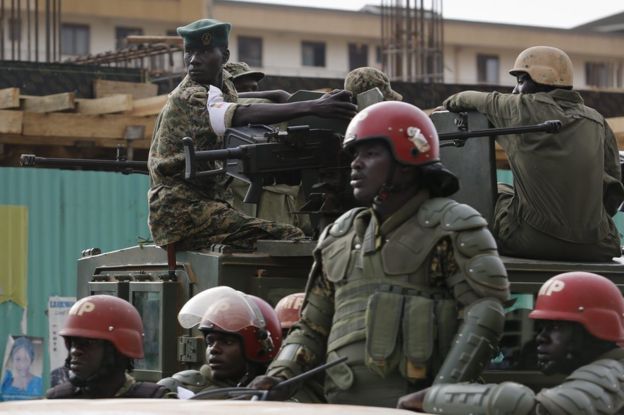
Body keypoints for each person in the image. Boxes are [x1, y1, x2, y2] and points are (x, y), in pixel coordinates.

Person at [249, 101, 511, 407]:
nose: (356, 164)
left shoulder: (452, 225)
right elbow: (312, 328)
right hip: (342, 406)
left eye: (371, 154)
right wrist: (280, 375)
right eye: (355, 154)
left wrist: (442, 395)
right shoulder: (340, 235)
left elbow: (485, 313)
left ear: (407, 159)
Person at [148, 18, 357, 252]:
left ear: (225, 57)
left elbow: (245, 99)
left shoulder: (222, 84)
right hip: (180, 210)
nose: (194, 61)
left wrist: (284, 96)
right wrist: (311, 107)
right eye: (189, 52)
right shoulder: (189, 96)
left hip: (203, 203)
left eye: (205, 52)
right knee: (290, 236)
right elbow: (237, 113)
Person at [442, 45, 624, 262]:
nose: (515, 91)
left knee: (495, 190)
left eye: (520, 81)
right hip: (597, 245)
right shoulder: (597, 120)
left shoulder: (519, 107)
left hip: (528, 242)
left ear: (541, 78)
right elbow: (613, 187)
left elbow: (461, 99)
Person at [398, 271, 624, 414]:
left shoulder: (611, 372)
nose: (541, 337)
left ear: (595, 327)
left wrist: (433, 398)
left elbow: (540, 410)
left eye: (555, 327)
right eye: (542, 328)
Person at [158, 286, 281, 398]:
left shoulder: (279, 396)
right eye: (210, 341)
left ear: (260, 347)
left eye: (227, 342)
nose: (214, 349)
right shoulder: (178, 388)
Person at [45, 295, 172, 399]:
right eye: (73, 342)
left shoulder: (153, 402)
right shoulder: (58, 400)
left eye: (89, 342)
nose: (74, 351)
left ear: (117, 351)